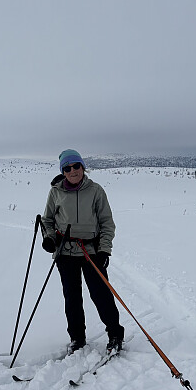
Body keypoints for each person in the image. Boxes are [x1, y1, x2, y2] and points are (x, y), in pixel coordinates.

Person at [41, 149, 125, 354]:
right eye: (67, 168)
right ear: (63, 171)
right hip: (65, 252)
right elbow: (47, 220)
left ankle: (115, 334)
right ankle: (77, 338)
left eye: (76, 166)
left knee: (101, 294)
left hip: (92, 251)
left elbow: (107, 223)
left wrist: (104, 250)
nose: (73, 171)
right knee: (72, 298)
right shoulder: (55, 192)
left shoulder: (96, 191)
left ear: (83, 167)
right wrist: (50, 238)